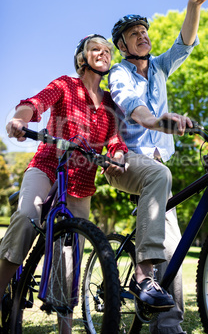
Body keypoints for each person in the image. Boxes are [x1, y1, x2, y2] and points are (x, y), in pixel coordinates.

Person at [106, 0, 208, 334]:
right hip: (124, 162)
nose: (142, 37)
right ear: (122, 46)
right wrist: (157, 122)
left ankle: (169, 326)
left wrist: (192, 5)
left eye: (144, 32)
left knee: (175, 249)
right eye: (133, 35)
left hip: (157, 171)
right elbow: (133, 107)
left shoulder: (158, 68)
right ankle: (142, 276)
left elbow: (184, 43)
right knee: (159, 176)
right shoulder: (120, 74)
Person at [0, 34, 128, 333]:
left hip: (81, 185)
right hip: (47, 167)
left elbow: (115, 139)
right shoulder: (66, 85)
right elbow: (36, 102)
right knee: (27, 218)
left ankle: (65, 331)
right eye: (95, 48)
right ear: (82, 57)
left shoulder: (110, 102)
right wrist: (20, 120)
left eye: (107, 49)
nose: (103, 52)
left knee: (69, 260)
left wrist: (118, 157)